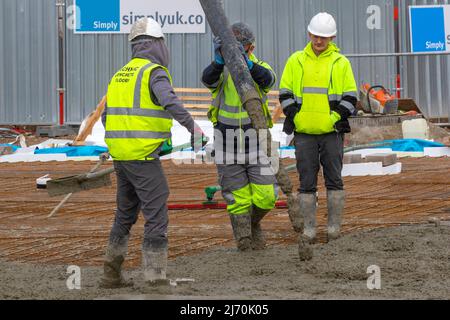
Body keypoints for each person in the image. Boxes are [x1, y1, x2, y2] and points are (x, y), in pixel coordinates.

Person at [100, 17, 205, 288]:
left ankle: (111, 274)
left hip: (122, 157)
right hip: (142, 157)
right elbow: (170, 101)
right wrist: (195, 130)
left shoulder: (120, 74)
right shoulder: (153, 72)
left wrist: (144, 137)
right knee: (156, 212)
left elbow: (106, 118)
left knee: (125, 213)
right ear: (157, 44)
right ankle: (155, 277)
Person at [279, 12, 357, 259]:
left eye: (323, 36)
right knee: (306, 184)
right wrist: (298, 118)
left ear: (332, 37)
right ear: (309, 33)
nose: (318, 40)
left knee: (334, 180)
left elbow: (350, 98)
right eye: (315, 35)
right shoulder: (296, 61)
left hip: (331, 134)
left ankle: (333, 229)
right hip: (304, 134)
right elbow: (285, 93)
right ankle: (309, 230)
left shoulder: (341, 63)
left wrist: (333, 119)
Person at [201, 22, 278, 251]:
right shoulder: (221, 71)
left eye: (241, 48)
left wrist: (247, 63)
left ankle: (252, 226)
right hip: (227, 145)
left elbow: (268, 80)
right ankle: (244, 242)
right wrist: (218, 61)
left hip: (259, 144)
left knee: (267, 196)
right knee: (237, 200)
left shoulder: (260, 67)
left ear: (250, 48)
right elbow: (207, 80)